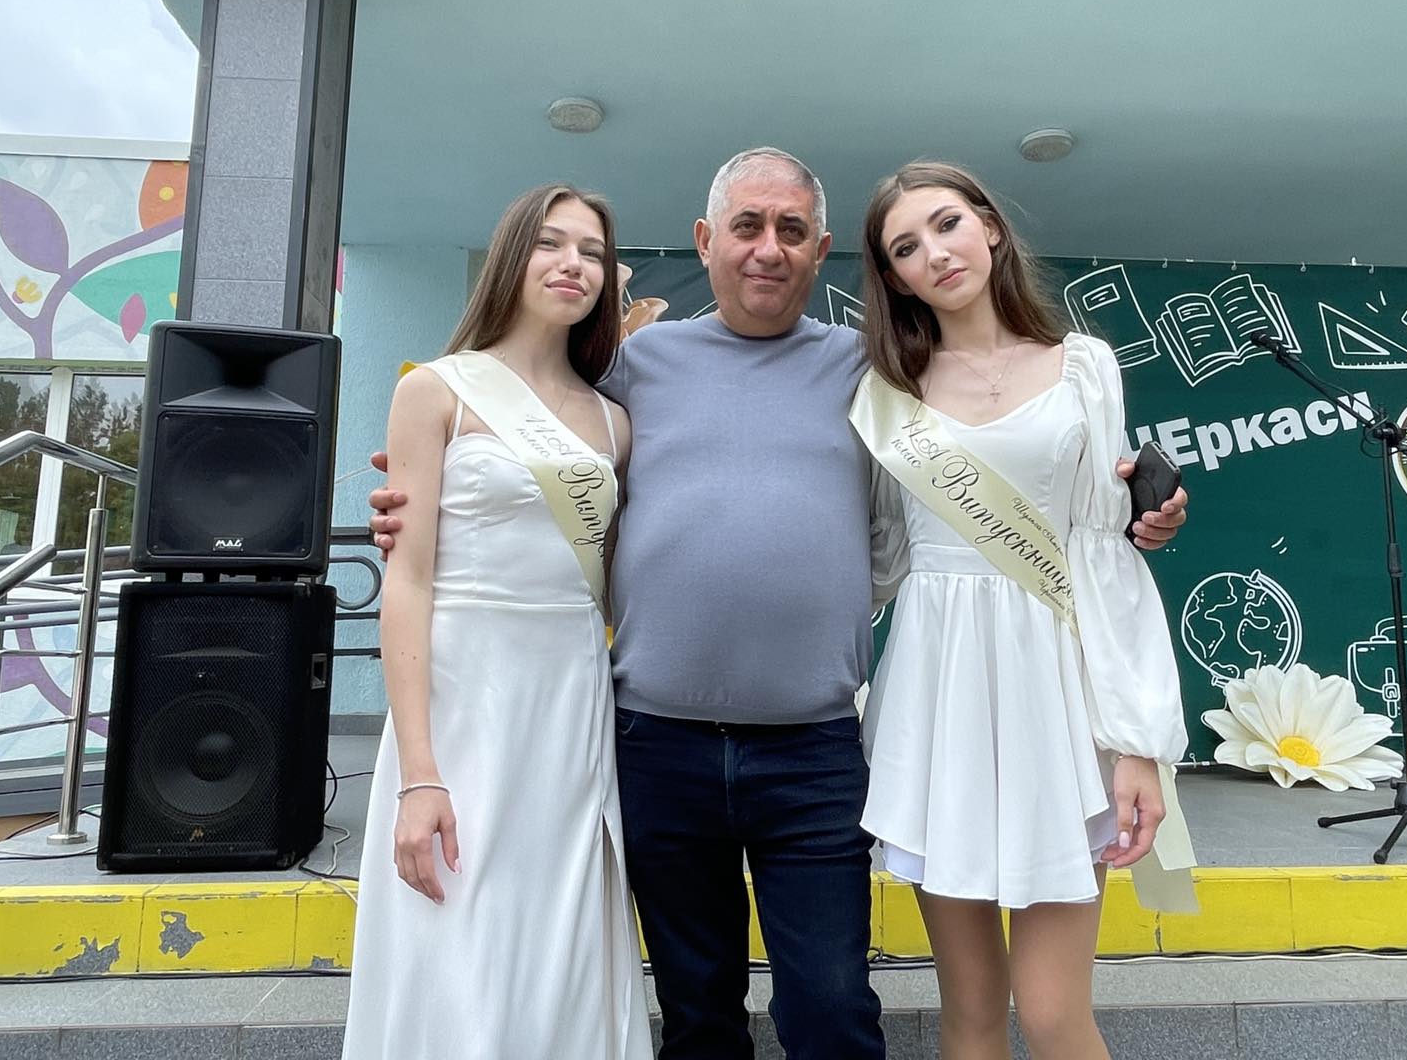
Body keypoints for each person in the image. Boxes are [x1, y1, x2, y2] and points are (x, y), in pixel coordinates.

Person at [368, 148, 1190, 1060]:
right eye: (747, 226)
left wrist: (1136, 509)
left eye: (792, 230)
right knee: (699, 1015)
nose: (769, 248)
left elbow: (1019, 471)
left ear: (821, 250)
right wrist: (432, 489)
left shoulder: (873, 373)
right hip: (657, 744)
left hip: (813, 754)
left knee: (832, 1013)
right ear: (704, 240)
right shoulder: (634, 367)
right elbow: (539, 439)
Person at [851, 161, 1191, 1060]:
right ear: (894, 278)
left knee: (1051, 1013)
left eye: (947, 223)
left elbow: (1105, 554)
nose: (935, 253)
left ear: (991, 227)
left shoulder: (1083, 367)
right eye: (905, 247)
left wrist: (1137, 743)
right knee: (968, 1012)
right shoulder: (887, 394)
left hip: (1058, 699)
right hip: (939, 702)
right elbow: (879, 555)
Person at [342, 185, 651, 1060]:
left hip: (570, 701)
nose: (573, 264)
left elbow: (613, 575)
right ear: (512, 256)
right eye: (551, 243)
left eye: (592, 252)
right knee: (459, 931)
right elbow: (408, 584)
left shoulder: (616, 424)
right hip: (463, 696)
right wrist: (419, 775)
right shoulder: (435, 390)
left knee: (558, 932)